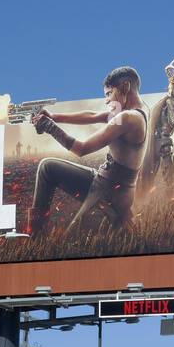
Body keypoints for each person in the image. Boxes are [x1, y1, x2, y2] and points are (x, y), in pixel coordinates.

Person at [31, 66, 148, 234]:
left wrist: (49, 126)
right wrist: (54, 116)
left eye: (109, 93)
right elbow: (93, 115)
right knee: (47, 167)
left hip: (109, 194)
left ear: (125, 87)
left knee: (69, 245)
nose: (107, 100)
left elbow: (82, 148)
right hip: (100, 180)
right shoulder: (134, 110)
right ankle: (35, 235)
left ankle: (118, 220)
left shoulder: (128, 118)